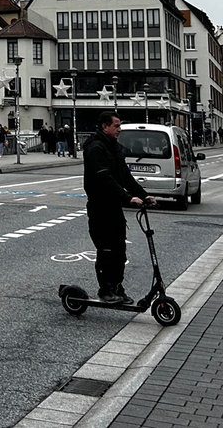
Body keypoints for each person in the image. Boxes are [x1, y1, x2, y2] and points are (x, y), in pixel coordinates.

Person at [83, 111, 154, 305]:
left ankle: (116, 286)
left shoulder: (114, 148)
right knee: (106, 250)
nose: (119, 129)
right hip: (100, 207)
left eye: (119, 125)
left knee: (119, 250)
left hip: (113, 208)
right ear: (105, 127)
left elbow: (125, 177)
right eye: (116, 126)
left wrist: (142, 194)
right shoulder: (95, 148)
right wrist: (128, 198)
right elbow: (105, 179)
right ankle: (105, 290)